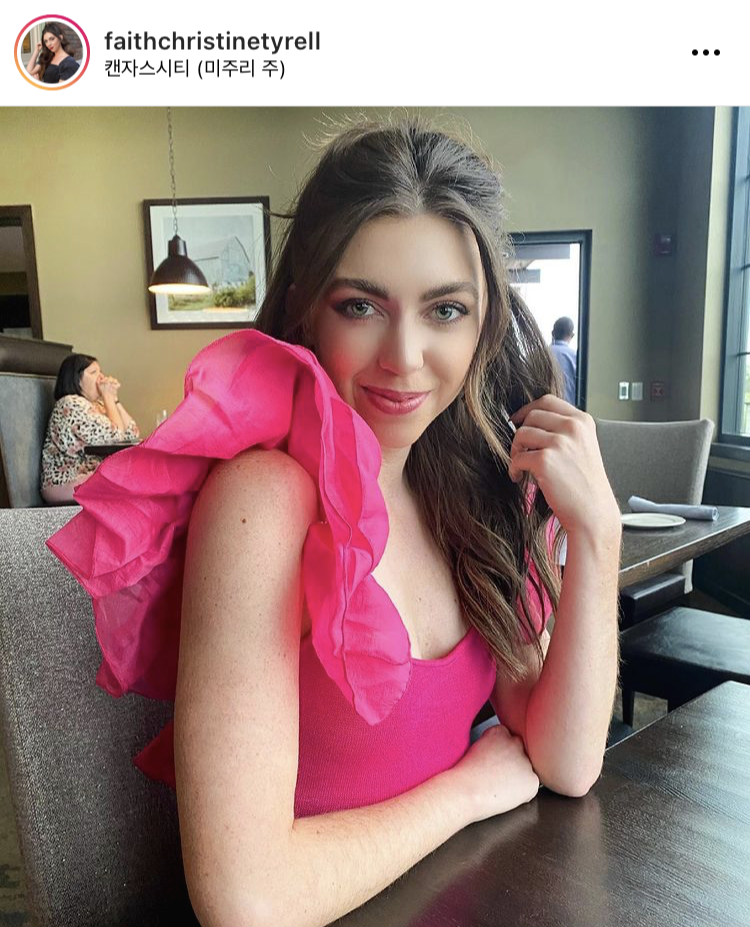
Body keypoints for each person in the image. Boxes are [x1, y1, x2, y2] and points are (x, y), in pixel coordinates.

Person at [47, 121, 621, 926]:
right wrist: (466, 789)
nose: (405, 356)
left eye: (445, 309)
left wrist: (597, 535)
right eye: (361, 305)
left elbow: (566, 760)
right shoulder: (263, 501)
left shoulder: (470, 494)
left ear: (484, 321)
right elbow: (246, 902)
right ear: (305, 307)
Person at [41, 353, 139, 504]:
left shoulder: (96, 405)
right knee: (133, 480)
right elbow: (115, 436)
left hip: (90, 475)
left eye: (101, 372)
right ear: (77, 379)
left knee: (139, 474)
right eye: (94, 372)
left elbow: (132, 433)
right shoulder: (70, 404)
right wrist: (108, 397)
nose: (101, 378)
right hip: (66, 481)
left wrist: (114, 399)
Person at [550, 316, 578, 405]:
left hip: (540, 410)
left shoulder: (537, 354)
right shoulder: (576, 357)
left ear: (553, 333)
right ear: (572, 336)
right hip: (570, 409)